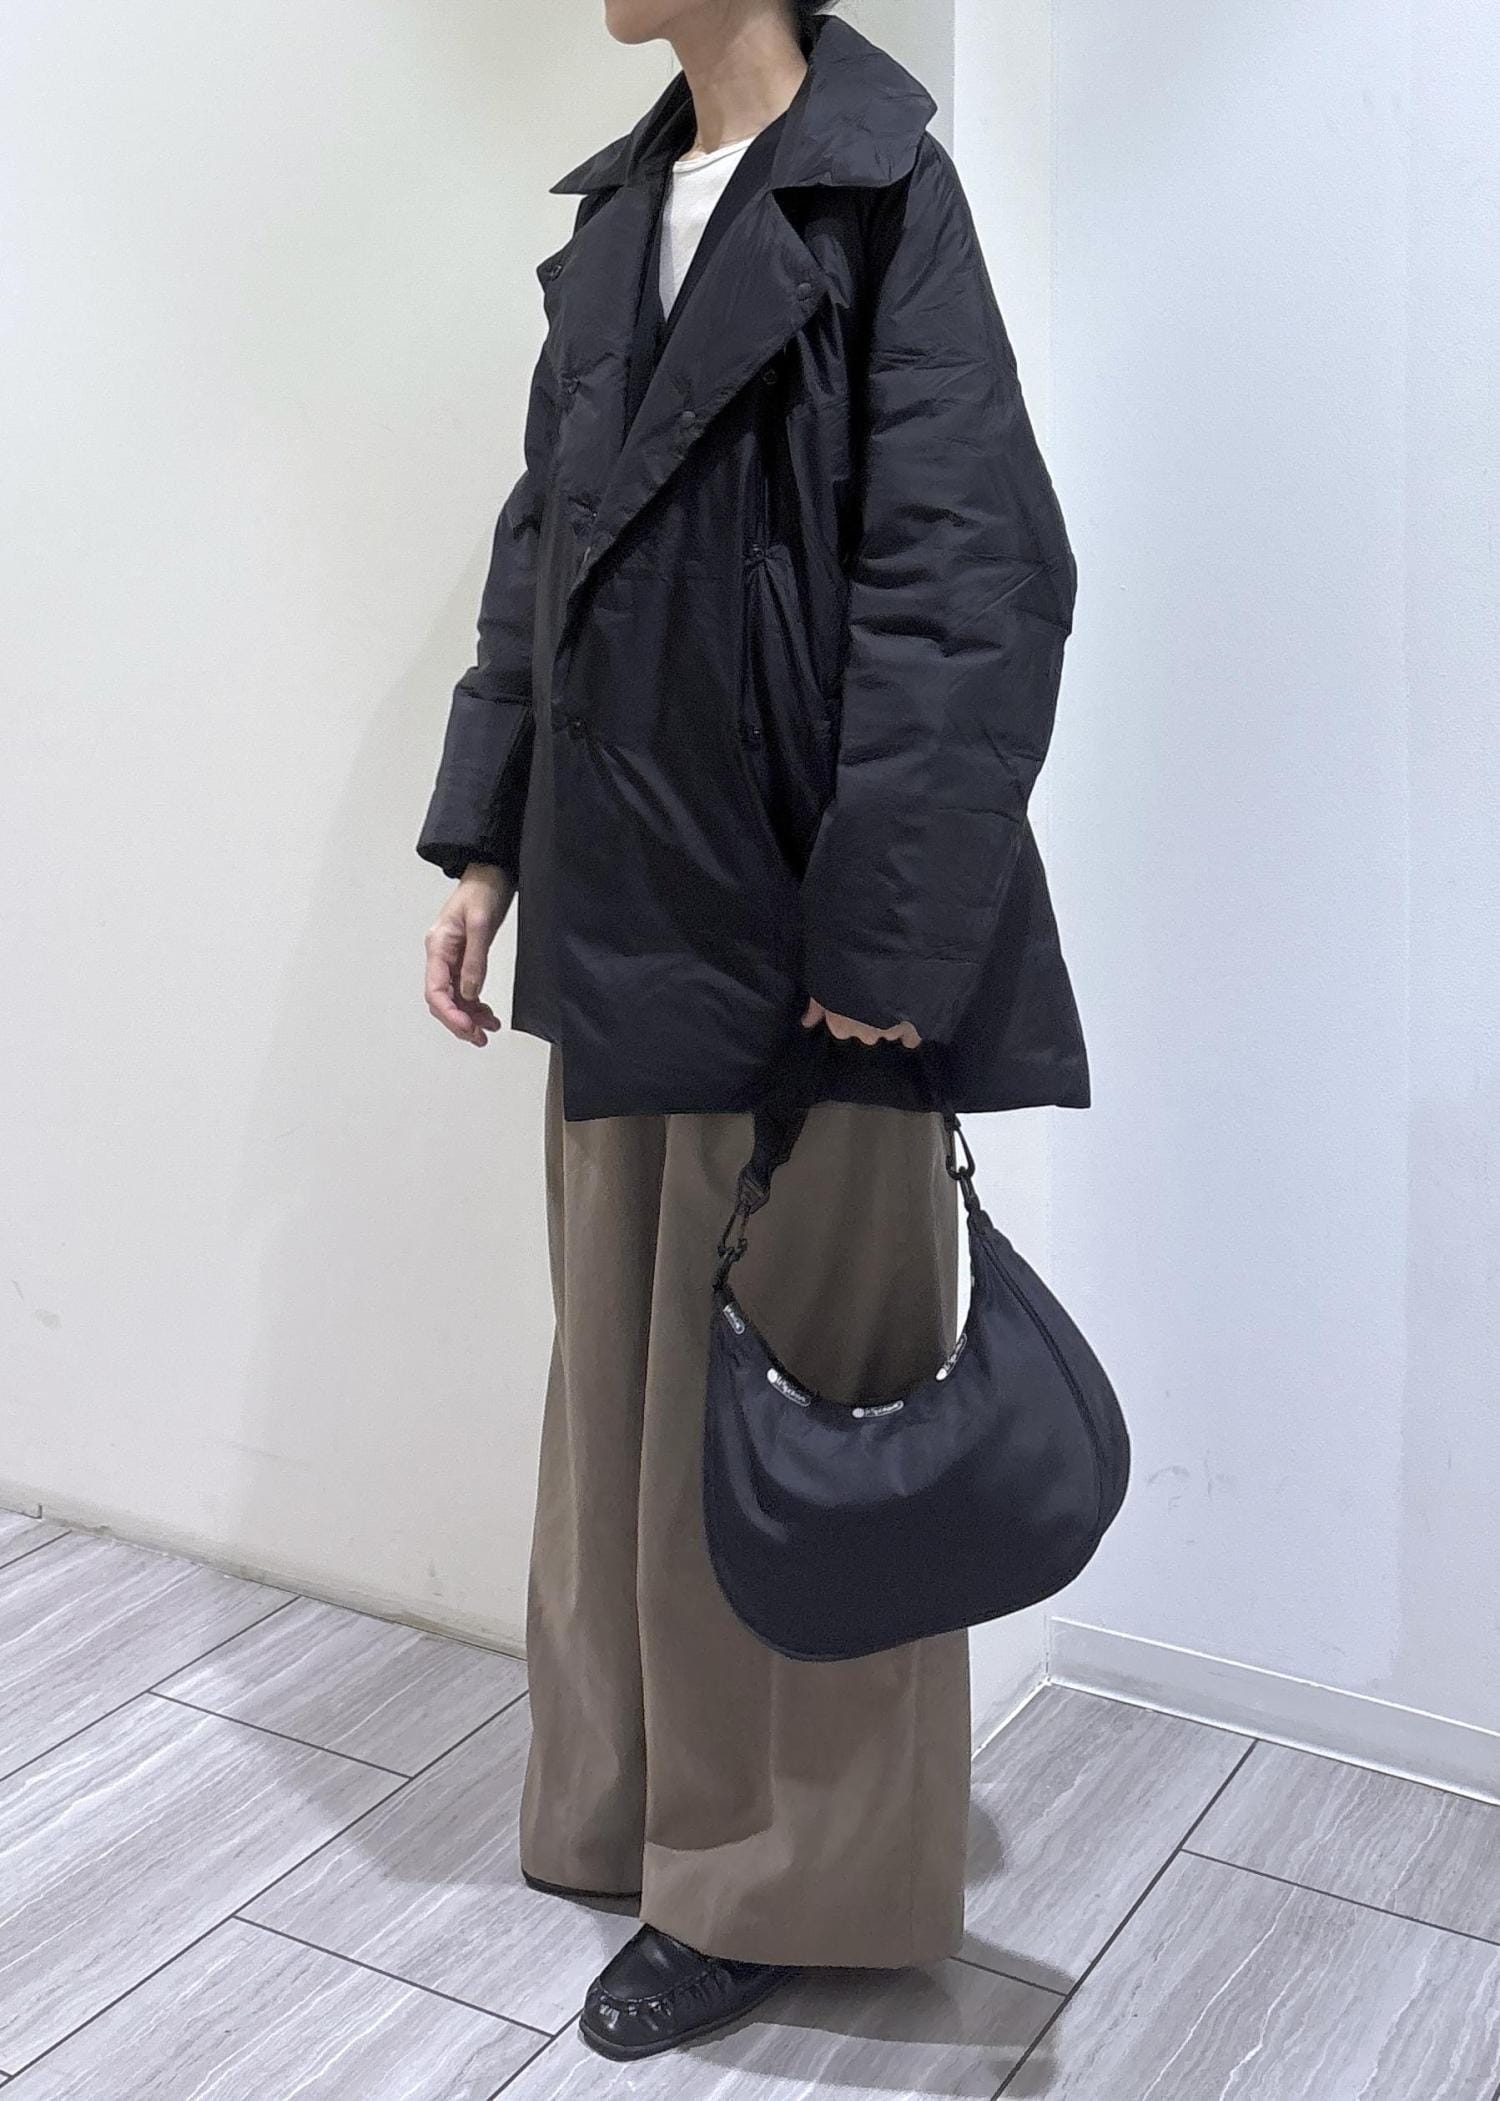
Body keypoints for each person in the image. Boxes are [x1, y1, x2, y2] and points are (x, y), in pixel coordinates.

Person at [418, 0, 1087, 2063]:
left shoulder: (885, 197)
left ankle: (785, 1878)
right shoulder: (622, 214)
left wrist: (887, 928)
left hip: (815, 960)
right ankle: (635, 1811)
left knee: (811, 1440)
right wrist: (483, 845)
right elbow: (543, 553)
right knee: (627, 1407)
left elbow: (974, 582)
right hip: (624, 916)